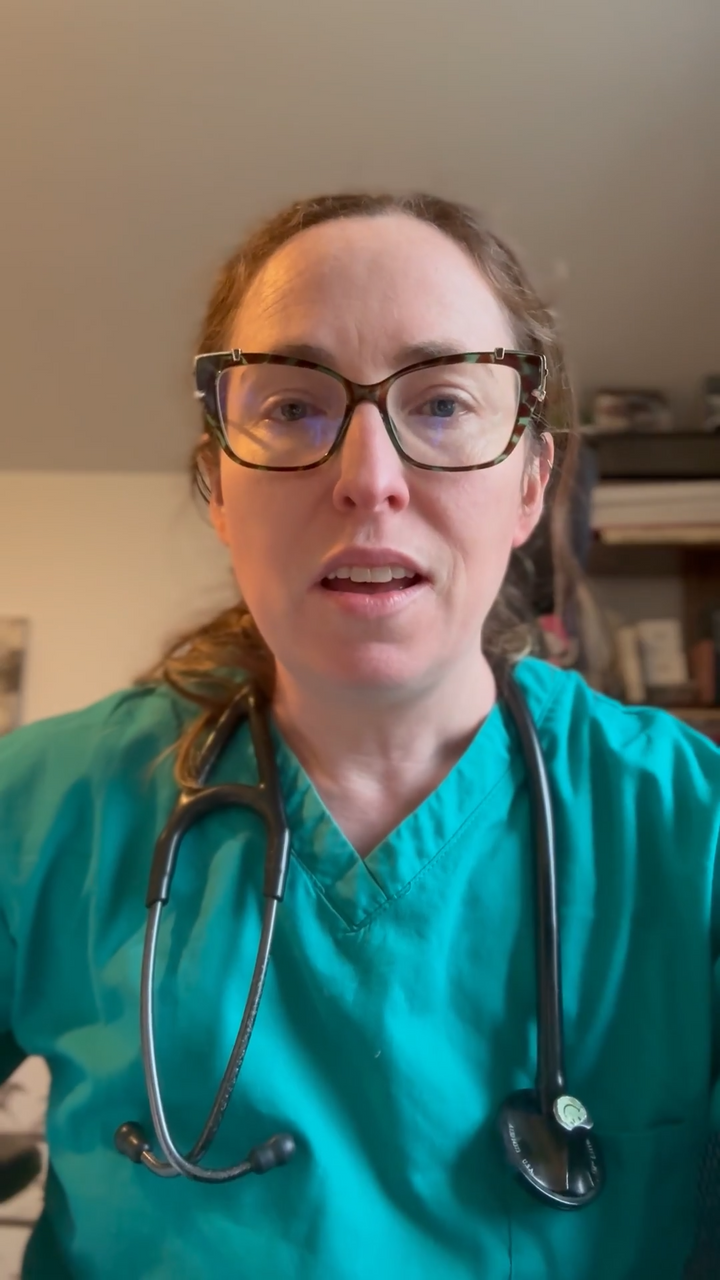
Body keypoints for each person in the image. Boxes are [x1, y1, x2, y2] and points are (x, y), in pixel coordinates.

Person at [0, 191, 718, 1280]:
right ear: (217, 484)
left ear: (531, 481)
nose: (368, 479)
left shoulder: (692, 831)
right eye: (293, 407)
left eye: (443, 402)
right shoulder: (41, 806)